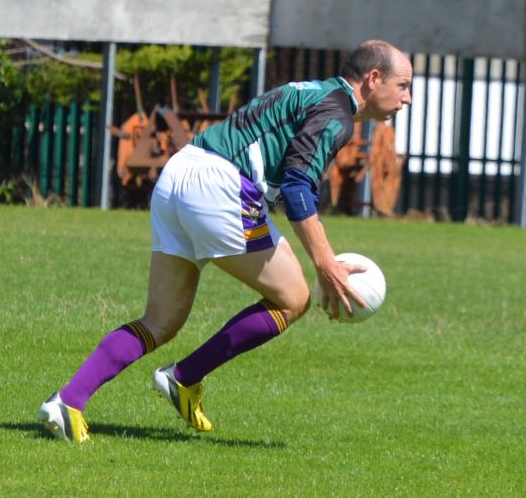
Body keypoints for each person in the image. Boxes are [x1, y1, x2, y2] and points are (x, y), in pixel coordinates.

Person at [37, 38, 414, 442]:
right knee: (293, 298)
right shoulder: (337, 113)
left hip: (180, 172)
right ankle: (183, 377)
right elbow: (298, 185)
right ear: (373, 79)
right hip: (219, 186)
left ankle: (68, 401)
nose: (406, 98)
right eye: (403, 85)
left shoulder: (315, 93)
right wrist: (326, 265)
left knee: (160, 322)